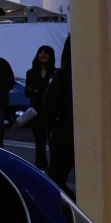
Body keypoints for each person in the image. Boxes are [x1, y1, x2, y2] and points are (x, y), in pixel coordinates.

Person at [44, 39, 75, 191]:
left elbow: (49, 106)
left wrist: (52, 128)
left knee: (55, 181)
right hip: (91, 135)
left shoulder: (61, 75)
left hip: (65, 135)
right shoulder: (95, 75)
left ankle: (72, 205)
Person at [23, 44, 57, 170]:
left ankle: (55, 167)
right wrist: (32, 91)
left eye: (46, 52)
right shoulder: (31, 72)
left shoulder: (56, 72)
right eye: (41, 52)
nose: (43, 55)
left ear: (51, 56)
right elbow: (27, 93)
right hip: (37, 111)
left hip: (53, 111)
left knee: (54, 141)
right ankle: (41, 165)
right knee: (40, 141)